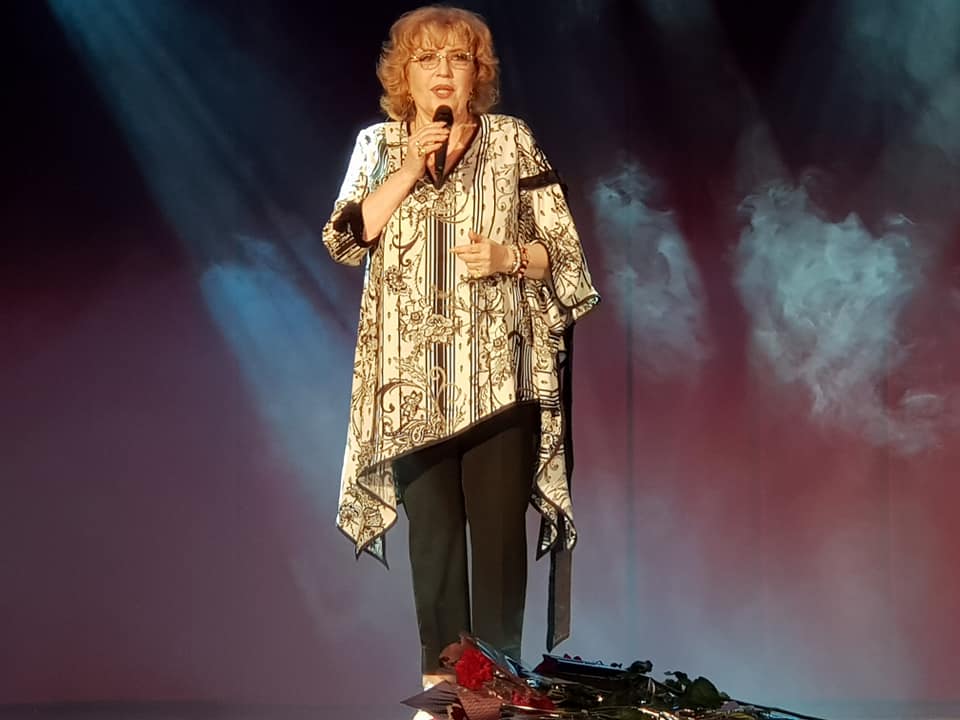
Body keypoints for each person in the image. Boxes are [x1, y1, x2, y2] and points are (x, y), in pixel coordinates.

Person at [322, 5, 600, 691]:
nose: (443, 72)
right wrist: (407, 170)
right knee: (434, 543)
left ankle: (497, 689)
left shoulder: (511, 141)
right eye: (427, 59)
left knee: (498, 541)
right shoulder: (377, 147)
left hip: (499, 378)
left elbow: (567, 258)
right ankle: (445, 690)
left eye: (458, 58)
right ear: (404, 74)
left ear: (478, 73)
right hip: (408, 384)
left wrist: (511, 256)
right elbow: (344, 242)